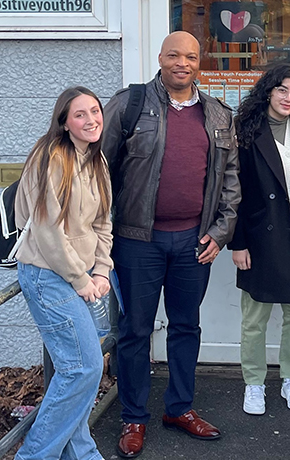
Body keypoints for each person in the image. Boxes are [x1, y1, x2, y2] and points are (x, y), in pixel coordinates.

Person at [101, 31, 241, 458]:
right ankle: (133, 417)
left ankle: (179, 408)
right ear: (160, 58)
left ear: (201, 63)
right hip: (136, 240)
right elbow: (99, 172)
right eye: (175, 55)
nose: (183, 62)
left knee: (185, 327)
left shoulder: (218, 113)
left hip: (192, 243)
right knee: (135, 331)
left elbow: (231, 183)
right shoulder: (130, 104)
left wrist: (220, 233)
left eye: (192, 56)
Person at [14, 86, 111, 460]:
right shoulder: (51, 157)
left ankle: (83, 454)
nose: (91, 120)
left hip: (83, 275)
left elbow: (104, 223)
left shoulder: (96, 160)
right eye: (80, 114)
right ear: (65, 123)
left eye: (95, 111)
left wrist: (101, 270)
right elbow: (47, 230)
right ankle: (33, 456)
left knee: (80, 372)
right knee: (82, 368)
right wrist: (81, 278)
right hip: (47, 276)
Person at [230, 63, 290, 415]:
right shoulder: (244, 131)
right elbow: (233, 190)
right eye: (283, 90)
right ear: (268, 90)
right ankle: (254, 383)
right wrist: (237, 242)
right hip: (260, 229)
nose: (289, 98)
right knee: (255, 315)